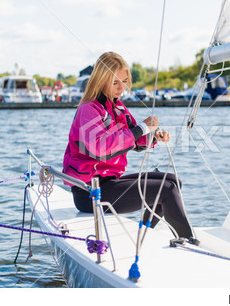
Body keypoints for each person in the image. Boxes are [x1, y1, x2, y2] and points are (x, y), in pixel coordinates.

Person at [63, 52, 196, 240]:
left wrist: (153, 135)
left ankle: (145, 232)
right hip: (89, 193)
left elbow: (134, 139)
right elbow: (101, 149)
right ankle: (189, 242)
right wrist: (142, 128)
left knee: (173, 181)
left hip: (109, 183)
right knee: (166, 190)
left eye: (124, 81)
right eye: (115, 82)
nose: (121, 88)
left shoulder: (118, 108)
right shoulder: (88, 109)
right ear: (101, 80)